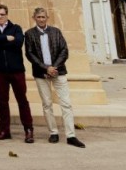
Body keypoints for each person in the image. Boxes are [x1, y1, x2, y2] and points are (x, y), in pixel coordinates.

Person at [24, 8, 85, 148]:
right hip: (41, 73)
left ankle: (71, 135)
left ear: (47, 17)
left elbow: (64, 50)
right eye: (38, 17)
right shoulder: (29, 34)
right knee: (47, 103)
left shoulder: (56, 32)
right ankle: (53, 132)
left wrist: (54, 67)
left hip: (59, 72)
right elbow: (29, 54)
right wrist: (46, 68)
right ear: (34, 18)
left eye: (43, 17)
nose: (41, 19)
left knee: (66, 103)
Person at [0, 3, 34, 143]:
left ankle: (28, 130)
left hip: (17, 70)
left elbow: (18, 42)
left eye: (2, 14)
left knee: (22, 100)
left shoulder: (16, 28)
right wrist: (7, 38)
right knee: (2, 101)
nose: (0, 17)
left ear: (7, 15)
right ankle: (4, 130)